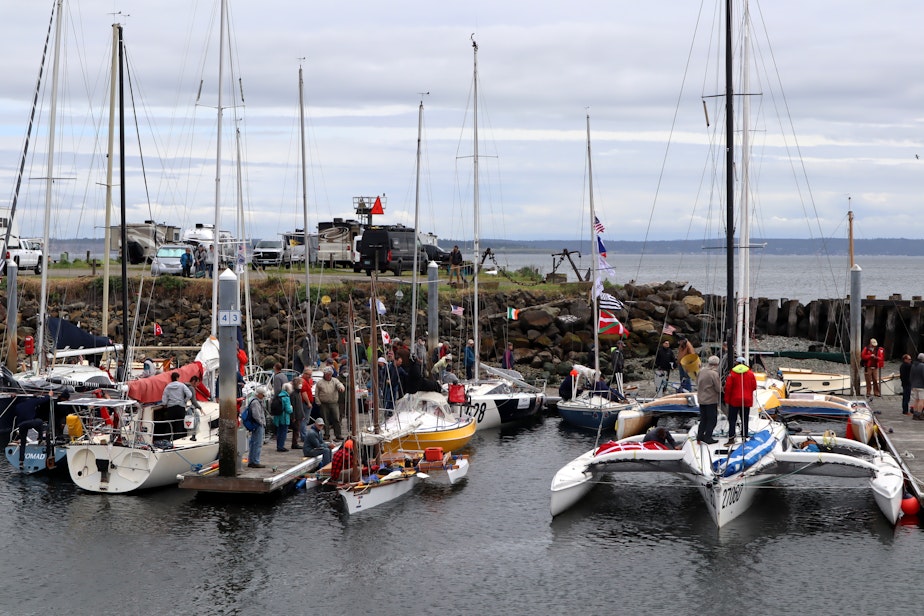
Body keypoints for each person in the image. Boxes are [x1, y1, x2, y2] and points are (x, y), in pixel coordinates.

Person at [724, 356, 757, 445]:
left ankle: (731, 438)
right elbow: (754, 387)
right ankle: (744, 437)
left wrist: (727, 399)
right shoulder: (750, 373)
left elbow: (728, 388)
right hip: (746, 400)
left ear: (737, 363)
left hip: (734, 400)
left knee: (732, 419)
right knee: (745, 419)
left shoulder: (732, 373)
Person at [696, 355, 721, 443]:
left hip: (701, 399)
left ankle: (699, 436)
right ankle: (708, 437)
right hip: (710, 400)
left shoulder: (701, 371)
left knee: (703, 419)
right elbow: (718, 388)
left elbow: (697, 382)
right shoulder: (714, 374)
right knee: (712, 420)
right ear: (717, 364)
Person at [160, 371, 192, 440]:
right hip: (180, 407)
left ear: (171, 378)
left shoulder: (168, 387)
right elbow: (189, 394)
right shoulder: (182, 385)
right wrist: (185, 400)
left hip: (171, 408)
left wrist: (164, 404)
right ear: (177, 378)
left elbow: (164, 398)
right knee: (179, 426)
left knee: (169, 425)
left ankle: (167, 440)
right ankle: (178, 441)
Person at [316, 366, 345, 440]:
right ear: (324, 374)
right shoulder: (320, 383)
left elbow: (339, 385)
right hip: (323, 403)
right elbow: (317, 393)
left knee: (336, 419)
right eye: (327, 374)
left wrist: (341, 388)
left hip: (334, 402)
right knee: (325, 419)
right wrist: (318, 402)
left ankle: (338, 434)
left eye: (330, 374)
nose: (329, 375)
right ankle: (326, 434)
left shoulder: (335, 381)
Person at [246, 387, 268, 468]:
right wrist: (261, 423)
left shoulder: (254, 401)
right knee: (257, 443)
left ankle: (251, 460)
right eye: (262, 395)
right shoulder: (255, 402)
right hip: (258, 425)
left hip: (255, 424)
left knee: (253, 443)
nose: (263, 397)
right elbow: (256, 415)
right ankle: (255, 461)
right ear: (259, 394)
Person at [273, 382, 294, 452]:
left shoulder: (279, 396)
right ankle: (281, 446)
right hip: (284, 418)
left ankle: (278, 445)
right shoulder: (286, 398)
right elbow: (288, 410)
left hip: (277, 417)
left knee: (279, 432)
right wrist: (291, 408)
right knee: (283, 432)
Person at [289, 376, 305, 449]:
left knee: (297, 429)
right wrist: (293, 417)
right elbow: (293, 406)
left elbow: (300, 405)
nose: (301, 384)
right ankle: (294, 443)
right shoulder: (293, 394)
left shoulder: (298, 393)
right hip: (296, 416)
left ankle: (295, 442)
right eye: (299, 383)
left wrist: (302, 414)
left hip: (299, 414)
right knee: (296, 429)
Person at [911, 353, 924, 420]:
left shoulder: (913, 365)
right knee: (921, 401)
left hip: (914, 386)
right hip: (921, 386)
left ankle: (915, 414)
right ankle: (919, 414)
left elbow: (911, 376)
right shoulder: (922, 366)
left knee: (916, 400)